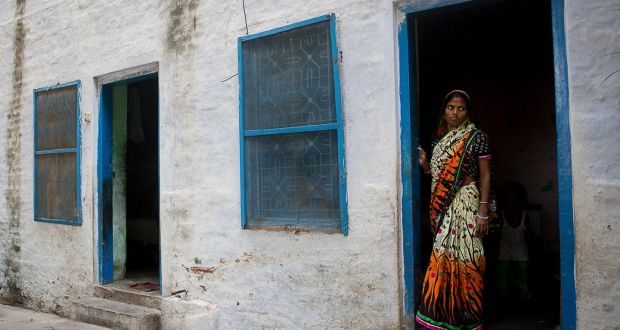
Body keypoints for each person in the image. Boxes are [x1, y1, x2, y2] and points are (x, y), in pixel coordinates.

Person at [415, 90, 494, 330]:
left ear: (467, 112)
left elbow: (486, 175)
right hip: (443, 209)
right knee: (441, 256)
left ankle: (468, 318)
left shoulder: (476, 137)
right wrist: (426, 165)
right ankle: (441, 316)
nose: (455, 113)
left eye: (461, 108)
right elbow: (438, 177)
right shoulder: (438, 141)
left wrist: (483, 212)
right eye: (450, 107)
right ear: (444, 110)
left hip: (468, 202)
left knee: (469, 258)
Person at [496, 181, 533, 304]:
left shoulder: (524, 216)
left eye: (515, 196)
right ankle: (503, 299)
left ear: (520, 198)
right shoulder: (500, 215)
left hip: (520, 249)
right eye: (509, 197)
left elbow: (529, 237)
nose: (512, 200)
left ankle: (524, 297)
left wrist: (531, 253)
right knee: (502, 275)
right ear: (504, 199)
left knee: (522, 276)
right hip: (504, 249)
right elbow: (496, 235)